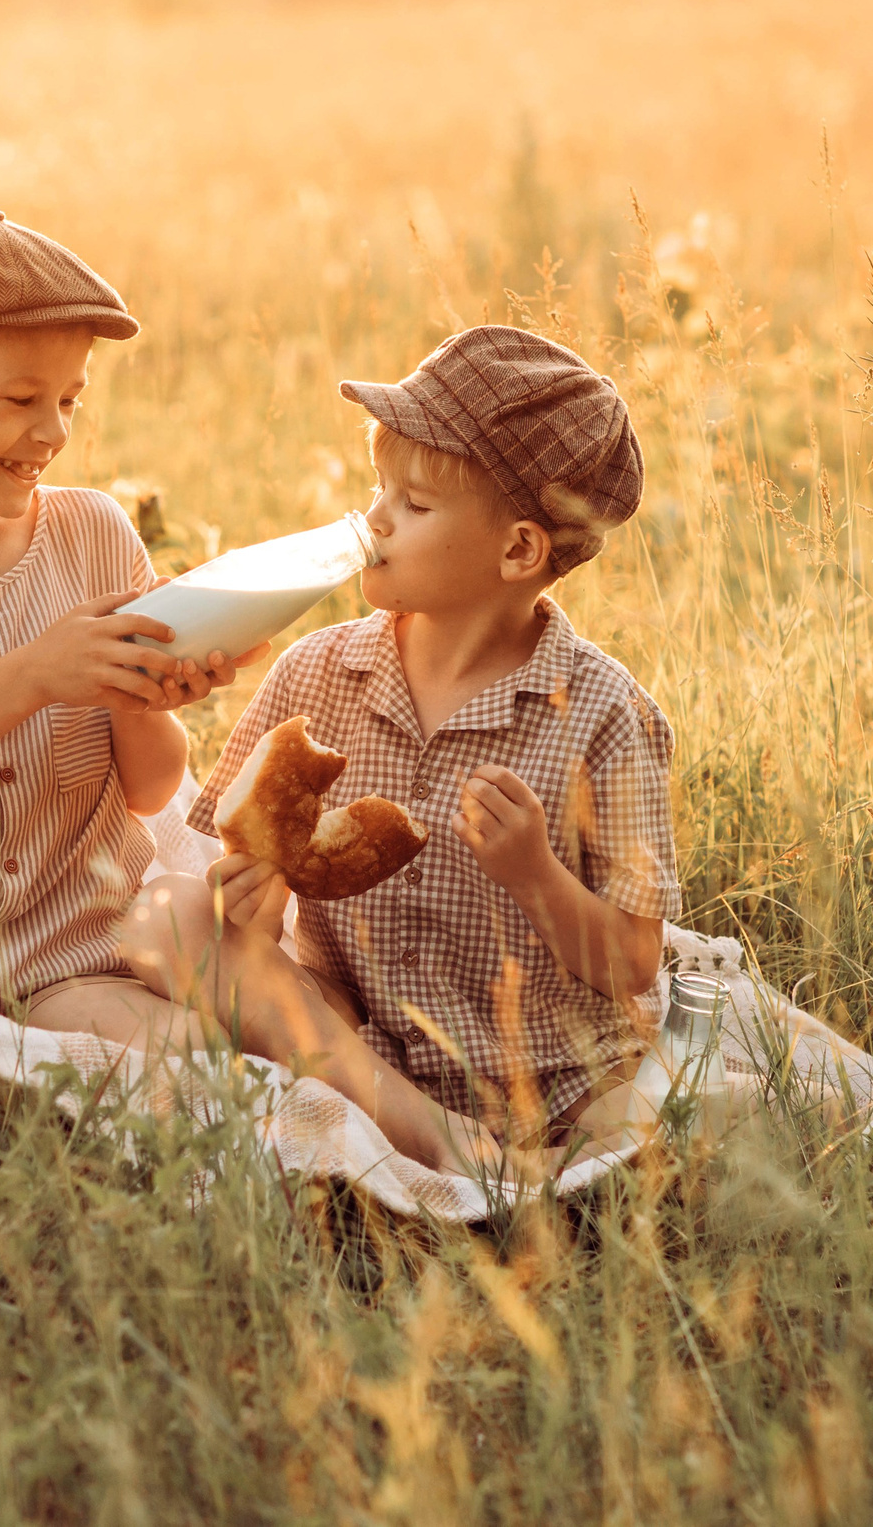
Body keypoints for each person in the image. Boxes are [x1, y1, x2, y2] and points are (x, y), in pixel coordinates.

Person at [0, 206, 518, 1174]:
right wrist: (31, 676)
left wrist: (136, 694)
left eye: (70, 401)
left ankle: (424, 1131)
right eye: (20, 399)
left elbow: (147, 790)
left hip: (75, 948)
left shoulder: (92, 531)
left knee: (194, 933)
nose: (51, 431)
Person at [180, 325, 678, 1148]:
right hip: (360, 1052)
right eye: (378, 488)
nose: (374, 519)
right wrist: (251, 913)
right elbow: (242, 887)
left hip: (552, 1075)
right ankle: (426, 1139)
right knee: (181, 927)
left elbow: (631, 962)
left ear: (518, 549)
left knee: (645, 1134)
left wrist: (537, 876)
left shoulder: (605, 718)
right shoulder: (314, 675)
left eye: (413, 505)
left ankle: (533, 1170)